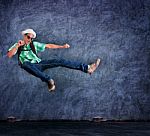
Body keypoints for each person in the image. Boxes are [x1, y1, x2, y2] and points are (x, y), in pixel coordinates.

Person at [7, 29, 101, 92]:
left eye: (31, 38)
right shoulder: (17, 45)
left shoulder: (34, 44)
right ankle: (49, 81)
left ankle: (88, 68)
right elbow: (10, 55)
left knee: (60, 61)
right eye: (28, 37)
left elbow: (48, 45)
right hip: (28, 65)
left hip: (39, 64)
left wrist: (62, 46)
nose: (30, 40)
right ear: (24, 36)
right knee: (25, 64)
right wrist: (17, 46)